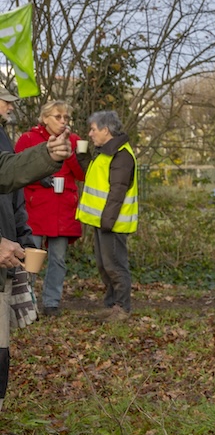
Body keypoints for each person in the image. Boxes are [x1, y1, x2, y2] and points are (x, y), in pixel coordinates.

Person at [0, 89, 72, 416]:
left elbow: (7, 180)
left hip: (20, 241)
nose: (10, 105)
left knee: (1, 349)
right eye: (4, 99)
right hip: (31, 223)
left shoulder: (4, 135)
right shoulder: (24, 137)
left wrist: (53, 154)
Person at [15, 100, 86, 316]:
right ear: (45, 118)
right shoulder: (29, 139)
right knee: (31, 258)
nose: (63, 121)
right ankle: (27, 302)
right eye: (58, 117)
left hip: (64, 210)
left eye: (66, 118)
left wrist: (70, 153)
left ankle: (52, 303)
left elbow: (82, 175)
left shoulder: (74, 140)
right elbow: (14, 172)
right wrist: (38, 179)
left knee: (58, 259)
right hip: (36, 209)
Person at [75, 110, 137, 322]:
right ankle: (111, 306)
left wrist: (107, 222)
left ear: (105, 130)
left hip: (112, 223)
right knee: (104, 266)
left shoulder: (121, 155)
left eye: (93, 129)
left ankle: (122, 309)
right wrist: (83, 158)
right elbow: (94, 179)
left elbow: (117, 191)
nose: (90, 134)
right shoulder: (105, 153)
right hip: (104, 221)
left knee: (115, 267)